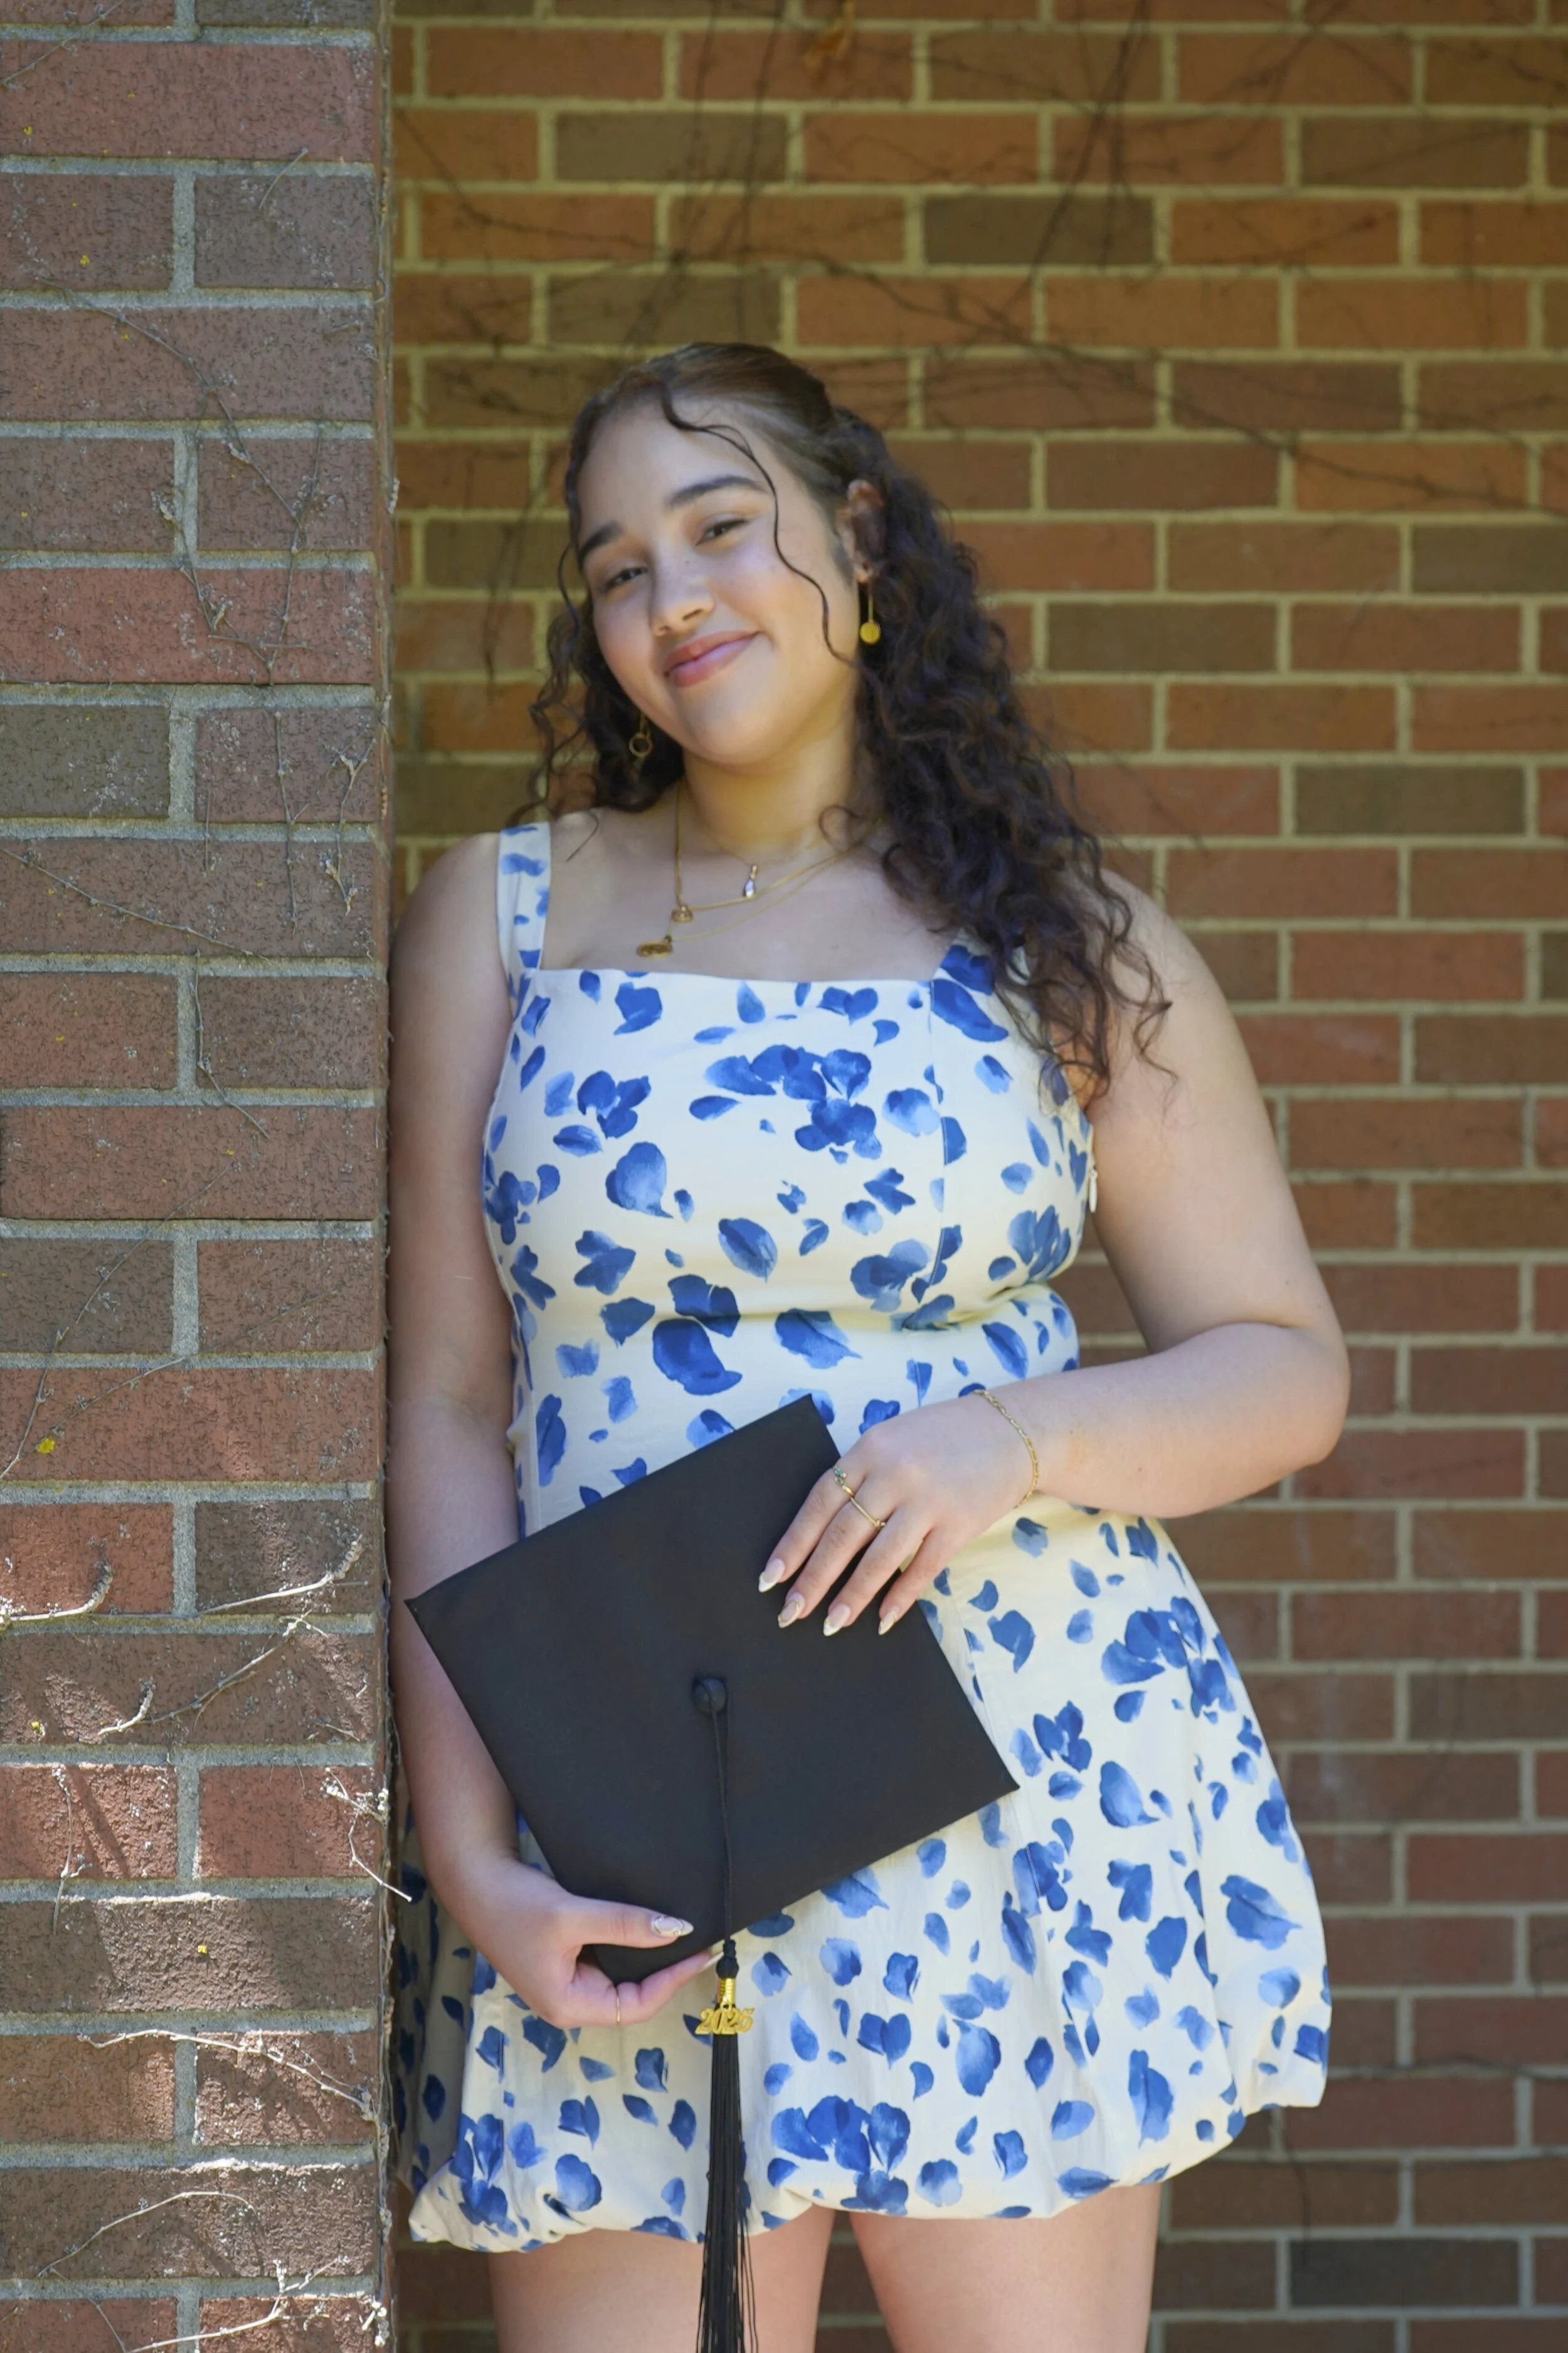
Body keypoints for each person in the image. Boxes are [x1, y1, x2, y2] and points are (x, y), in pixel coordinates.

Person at [387, 343, 1345, 2353]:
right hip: (630, 1809)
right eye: (618, 566)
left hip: (1017, 1770)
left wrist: (1000, 1438)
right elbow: (453, 1410)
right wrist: (478, 1852)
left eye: (722, 528)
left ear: (863, 541)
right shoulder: (506, 913)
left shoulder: (1067, 942)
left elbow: (1277, 1365)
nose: (674, 600)